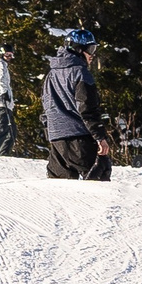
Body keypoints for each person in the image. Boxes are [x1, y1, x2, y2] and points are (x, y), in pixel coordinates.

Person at [41, 31, 112, 181]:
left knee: (61, 187)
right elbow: (87, 108)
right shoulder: (80, 73)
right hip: (79, 138)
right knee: (99, 180)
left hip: (57, 140)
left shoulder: (51, 74)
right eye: (90, 49)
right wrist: (100, 137)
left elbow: (46, 106)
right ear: (78, 49)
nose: (92, 55)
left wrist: (51, 132)